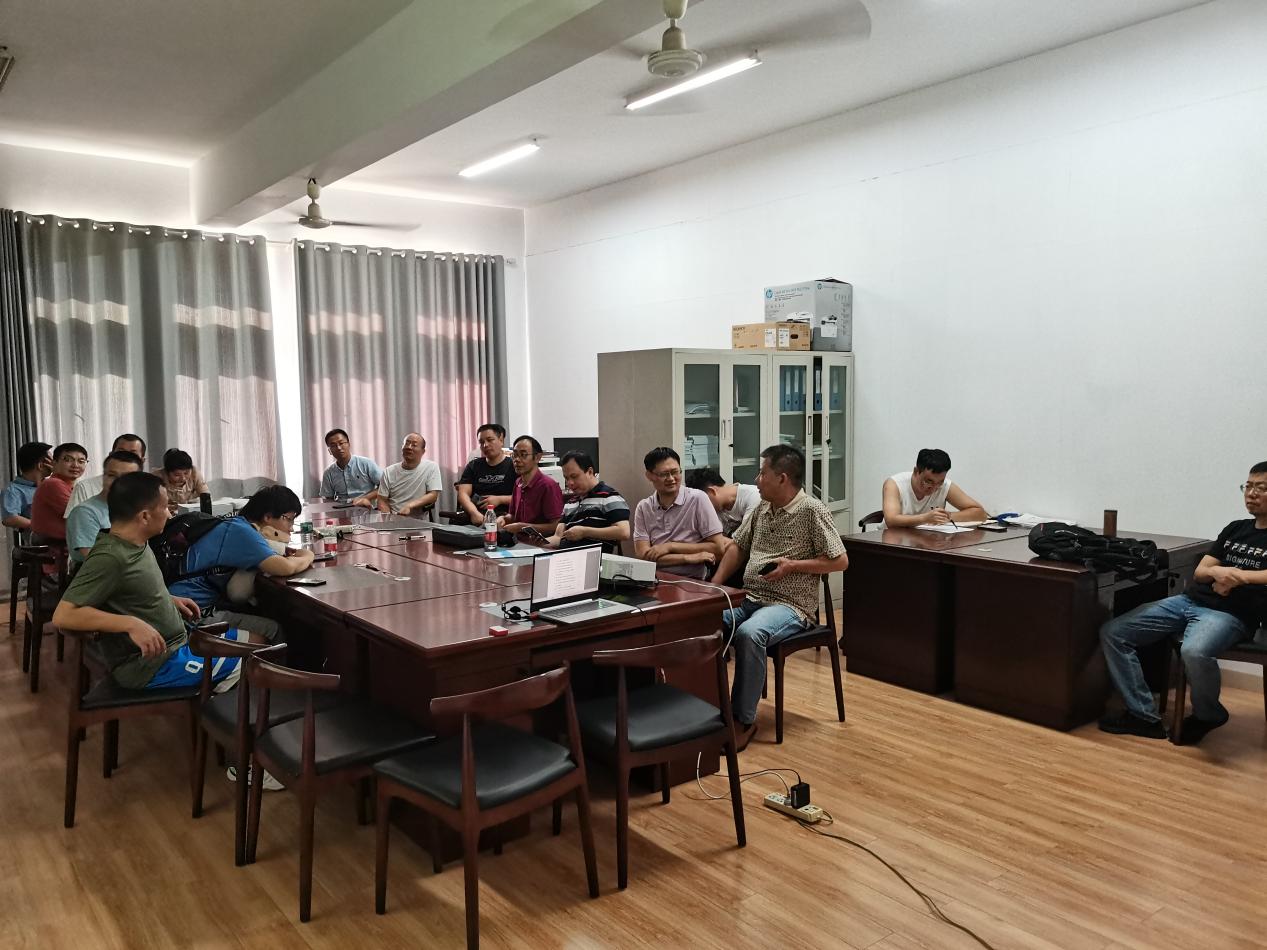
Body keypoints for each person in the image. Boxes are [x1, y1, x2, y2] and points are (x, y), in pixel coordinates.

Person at [1099, 463, 1267, 744]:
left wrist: (1237, 577)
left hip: (1230, 614)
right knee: (1114, 632)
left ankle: (1208, 715)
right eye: (1248, 486)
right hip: (1189, 601)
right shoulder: (1236, 528)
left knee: (1195, 651)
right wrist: (1221, 573)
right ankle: (1143, 716)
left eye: (1261, 488)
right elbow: (1201, 571)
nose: (1251, 493)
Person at [52, 471, 257, 691]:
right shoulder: (111, 557)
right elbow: (64, 615)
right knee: (257, 664)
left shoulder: (137, 542)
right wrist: (130, 624)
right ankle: (207, 704)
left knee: (258, 640)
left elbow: (131, 588)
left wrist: (168, 600)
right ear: (144, 516)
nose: (169, 514)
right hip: (154, 664)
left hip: (179, 642)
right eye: (165, 507)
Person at [711, 445, 849, 748]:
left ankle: (742, 720)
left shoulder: (812, 510)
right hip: (750, 599)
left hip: (790, 607)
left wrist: (793, 566)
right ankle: (708, 709)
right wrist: (714, 588)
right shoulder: (762, 508)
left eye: (762, 473)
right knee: (701, 623)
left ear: (782, 478)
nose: (756, 480)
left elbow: (840, 560)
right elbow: (737, 547)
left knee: (750, 633)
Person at [168, 484, 316, 641]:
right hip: (192, 615)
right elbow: (285, 567)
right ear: (267, 517)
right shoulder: (243, 533)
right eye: (289, 519)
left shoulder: (235, 524)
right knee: (273, 630)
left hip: (185, 607)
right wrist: (308, 554)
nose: (291, 528)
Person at [632, 447, 726, 579]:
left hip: (692, 580)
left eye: (675, 472)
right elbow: (644, 556)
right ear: (649, 476)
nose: (671, 478)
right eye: (664, 474)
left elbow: (718, 548)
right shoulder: (644, 507)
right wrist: (688, 558)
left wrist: (670, 547)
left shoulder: (698, 499)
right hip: (654, 578)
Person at [67, 450, 143, 564]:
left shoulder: (139, 508)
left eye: (126, 478)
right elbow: (96, 560)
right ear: (103, 476)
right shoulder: (85, 512)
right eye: (112, 475)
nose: (117, 482)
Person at [546, 451, 630, 554]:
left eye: (574, 476)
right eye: (566, 478)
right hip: (566, 558)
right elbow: (558, 537)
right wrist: (538, 543)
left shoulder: (609, 496)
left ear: (590, 472)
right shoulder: (570, 503)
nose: (570, 483)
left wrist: (584, 532)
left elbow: (624, 532)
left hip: (595, 559)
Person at [881, 448, 986, 527]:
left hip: (926, 540)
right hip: (891, 541)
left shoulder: (944, 486)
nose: (934, 488)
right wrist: (925, 518)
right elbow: (891, 520)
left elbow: (980, 513)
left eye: (940, 482)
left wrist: (945, 516)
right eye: (929, 481)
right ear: (916, 471)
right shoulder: (894, 484)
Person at [497, 435, 564, 537]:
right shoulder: (518, 483)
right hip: (518, 541)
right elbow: (513, 516)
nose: (517, 460)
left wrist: (523, 528)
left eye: (523, 455)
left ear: (537, 457)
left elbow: (557, 526)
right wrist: (503, 518)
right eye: (514, 455)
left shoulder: (548, 486)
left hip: (540, 543)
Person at [66, 433, 145, 516]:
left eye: (133, 454)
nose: (125, 457)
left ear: (142, 460)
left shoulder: (150, 490)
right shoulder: (84, 487)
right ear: (111, 455)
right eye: (121, 452)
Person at [455, 423, 516, 524]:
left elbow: (526, 498)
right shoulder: (473, 465)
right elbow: (463, 494)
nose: (485, 445)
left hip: (504, 517)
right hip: (476, 515)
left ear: (501, 440)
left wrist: (500, 499)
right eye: (481, 442)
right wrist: (473, 513)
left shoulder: (514, 466)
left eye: (490, 440)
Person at [30, 442, 88, 543]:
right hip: (56, 547)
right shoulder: (53, 484)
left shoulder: (75, 486)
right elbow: (81, 517)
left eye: (81, 461)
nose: (75, 465)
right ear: (54, 463)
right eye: (68, 460)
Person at [377, 432, 443, 516]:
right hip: (393, 517)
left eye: (414, 445)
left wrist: (409, 506)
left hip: (417, 520)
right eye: (407, 444)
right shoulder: (389, 471)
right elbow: (382, 499)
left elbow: (433, 495)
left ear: (423, 451)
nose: (409, 447)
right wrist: (388, 518)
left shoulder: (431, 467)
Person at [686, 467, 762, 537]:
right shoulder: (717, 508)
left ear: (712, 491)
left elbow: (743, 539)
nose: (702, 508)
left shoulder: (755, 497)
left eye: (701, 503)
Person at [320, 428, 383, 505]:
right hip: (341, 509)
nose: (339, 448)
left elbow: (385, 486)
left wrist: (364, 498)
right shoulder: (328, 472)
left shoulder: (366, 463)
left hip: (367, 508)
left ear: (349, 444)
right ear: (329, 451)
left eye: (341, 443)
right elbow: (328, 498)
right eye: (333, 445)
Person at [1, 441, 53, 532]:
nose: (54, 463)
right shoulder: (13, 490)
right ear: (41, 465)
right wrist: (43, 527)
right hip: (40, 538)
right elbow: (9, 518)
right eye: (51, 461)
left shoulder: (52, 483)